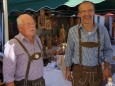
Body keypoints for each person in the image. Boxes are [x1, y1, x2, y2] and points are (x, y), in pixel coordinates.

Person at [65, 1, 113, 86]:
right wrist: (67, 69)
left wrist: (107, 67)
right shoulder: (72, 31)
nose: (87, 14)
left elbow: (108, 50)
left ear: (94, 12)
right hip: (78, 74)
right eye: (83, 11)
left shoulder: (103, 30)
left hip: (97, 73)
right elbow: (69, 51)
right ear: (79, 14)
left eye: (90, 10)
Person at [3, 14, 45, 86]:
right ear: (20, 28)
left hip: (41, 82)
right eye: (28, 24)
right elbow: (8, 77)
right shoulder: (12, 45)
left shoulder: (37, 39)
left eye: (33, 23)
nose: (32, 26)